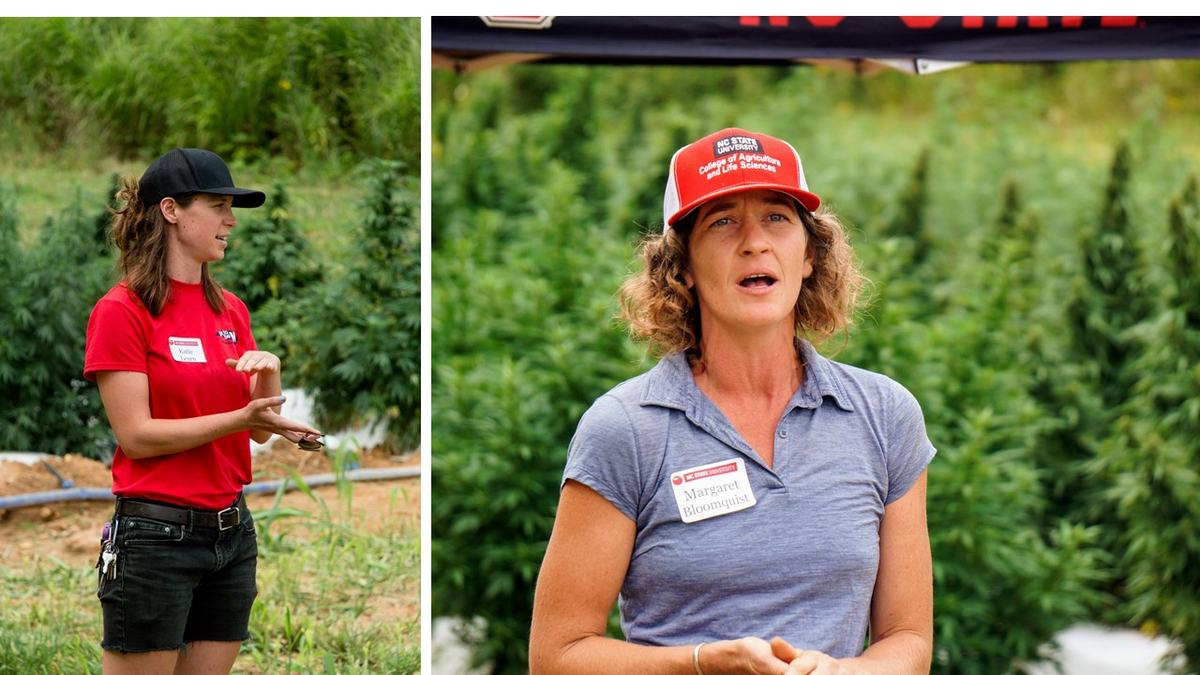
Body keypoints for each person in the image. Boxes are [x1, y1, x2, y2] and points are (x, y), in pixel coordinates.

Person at [529, 128, 936, 674]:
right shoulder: (626, 428)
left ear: (811, 255)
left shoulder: (885, 415)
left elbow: (908, 639)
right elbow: (556, 657)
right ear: (684, 269)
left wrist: (847, 672)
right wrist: (701, 664)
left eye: (777, 217)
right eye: (722, 221)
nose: (754, 242)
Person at [83, 148, 322, 674]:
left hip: (232, 535)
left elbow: (255, 433)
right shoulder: (121, 312)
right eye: (217, 205)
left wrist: (271, 376)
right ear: (171, 210)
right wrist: (242, 419)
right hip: (155, 539)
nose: (230, 220)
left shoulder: (229, 309)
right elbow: (138, 435)